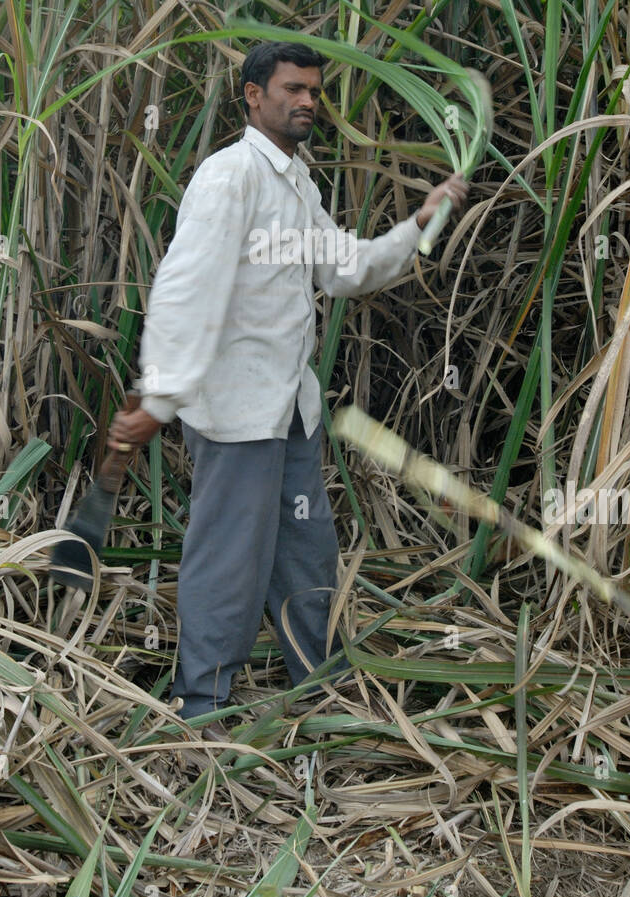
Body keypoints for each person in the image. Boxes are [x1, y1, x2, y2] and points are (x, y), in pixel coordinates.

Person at [107, 40, 469, 731]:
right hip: (237, 414)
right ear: (253, 96)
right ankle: (202, 704)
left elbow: (343, 270)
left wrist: (419, 222)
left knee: (307, 549)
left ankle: (318, 687)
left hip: (289, 408)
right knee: (228, 558)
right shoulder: (229, 179)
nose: (307, 101)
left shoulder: (297, 182)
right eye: (292, 89)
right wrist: (157, 400)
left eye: (314, 91)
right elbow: (185, 294)